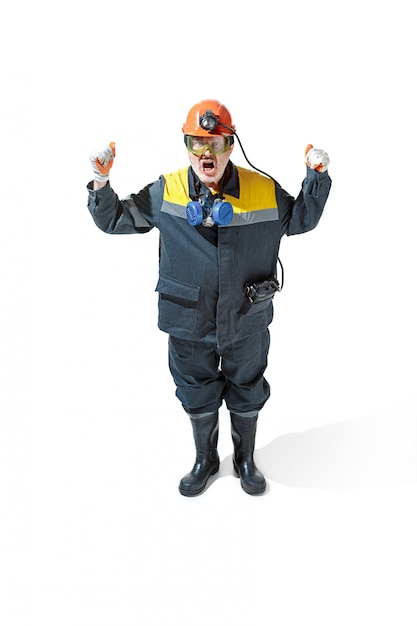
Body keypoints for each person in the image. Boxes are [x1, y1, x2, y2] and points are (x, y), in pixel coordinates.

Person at [87, 99, 331, 497]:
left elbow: (302, 218)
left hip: (246, 317)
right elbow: (115, 219)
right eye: (196, 143)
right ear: (186, 146)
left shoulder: (261, 190)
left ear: (230, 145)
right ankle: (206, 460)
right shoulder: (168, 190)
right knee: (195, 389)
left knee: (247, 387)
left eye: (215, 144)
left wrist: (316, 177)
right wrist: (100, 182)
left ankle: (244, 460)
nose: (206, 153)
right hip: (189, 320)